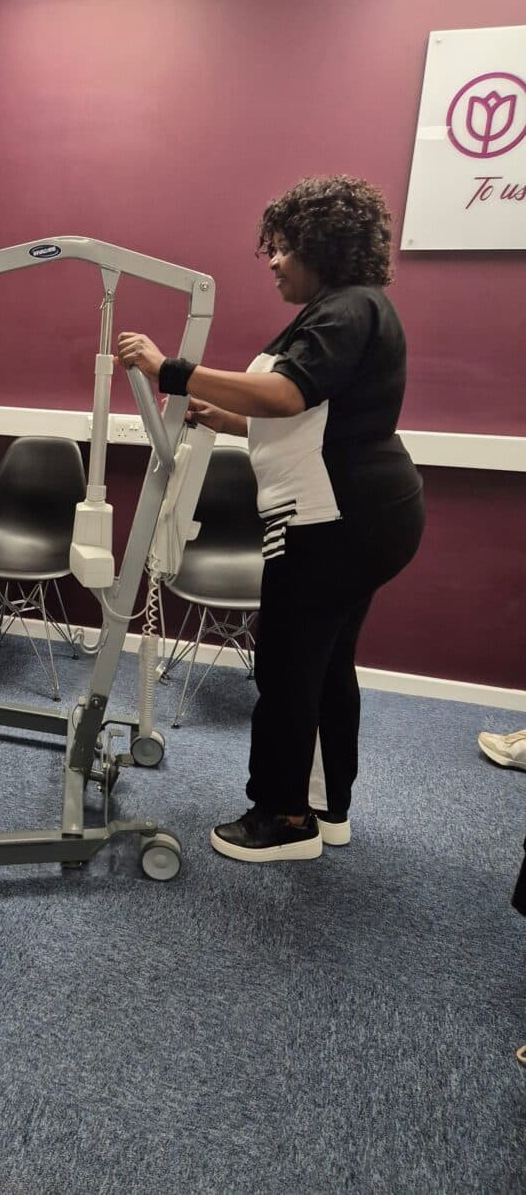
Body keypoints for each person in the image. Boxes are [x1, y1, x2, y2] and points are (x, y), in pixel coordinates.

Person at [118, 174, 425, 863]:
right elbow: (305, 416)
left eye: (285, 248)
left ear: (324, 246)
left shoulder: (346, 310)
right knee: (325, 662)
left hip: (335, 518)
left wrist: (172, 370)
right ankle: (326, 805)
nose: (274, 262)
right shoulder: (346, 308)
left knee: (287, 667)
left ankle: (284, 819)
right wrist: (219, 416)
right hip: (365, 512)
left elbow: (286, 395)